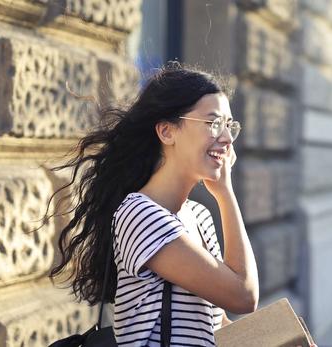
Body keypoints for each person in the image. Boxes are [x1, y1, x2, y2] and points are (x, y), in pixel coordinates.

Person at [48, 61, 259, 346]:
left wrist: (281, 338)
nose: (226, 139)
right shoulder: (141, 214)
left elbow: (216, 325)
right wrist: (225, 193)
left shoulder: (198, 216)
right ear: (167, 132)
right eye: (213, 123)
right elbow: (244, 296)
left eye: (230, 126)